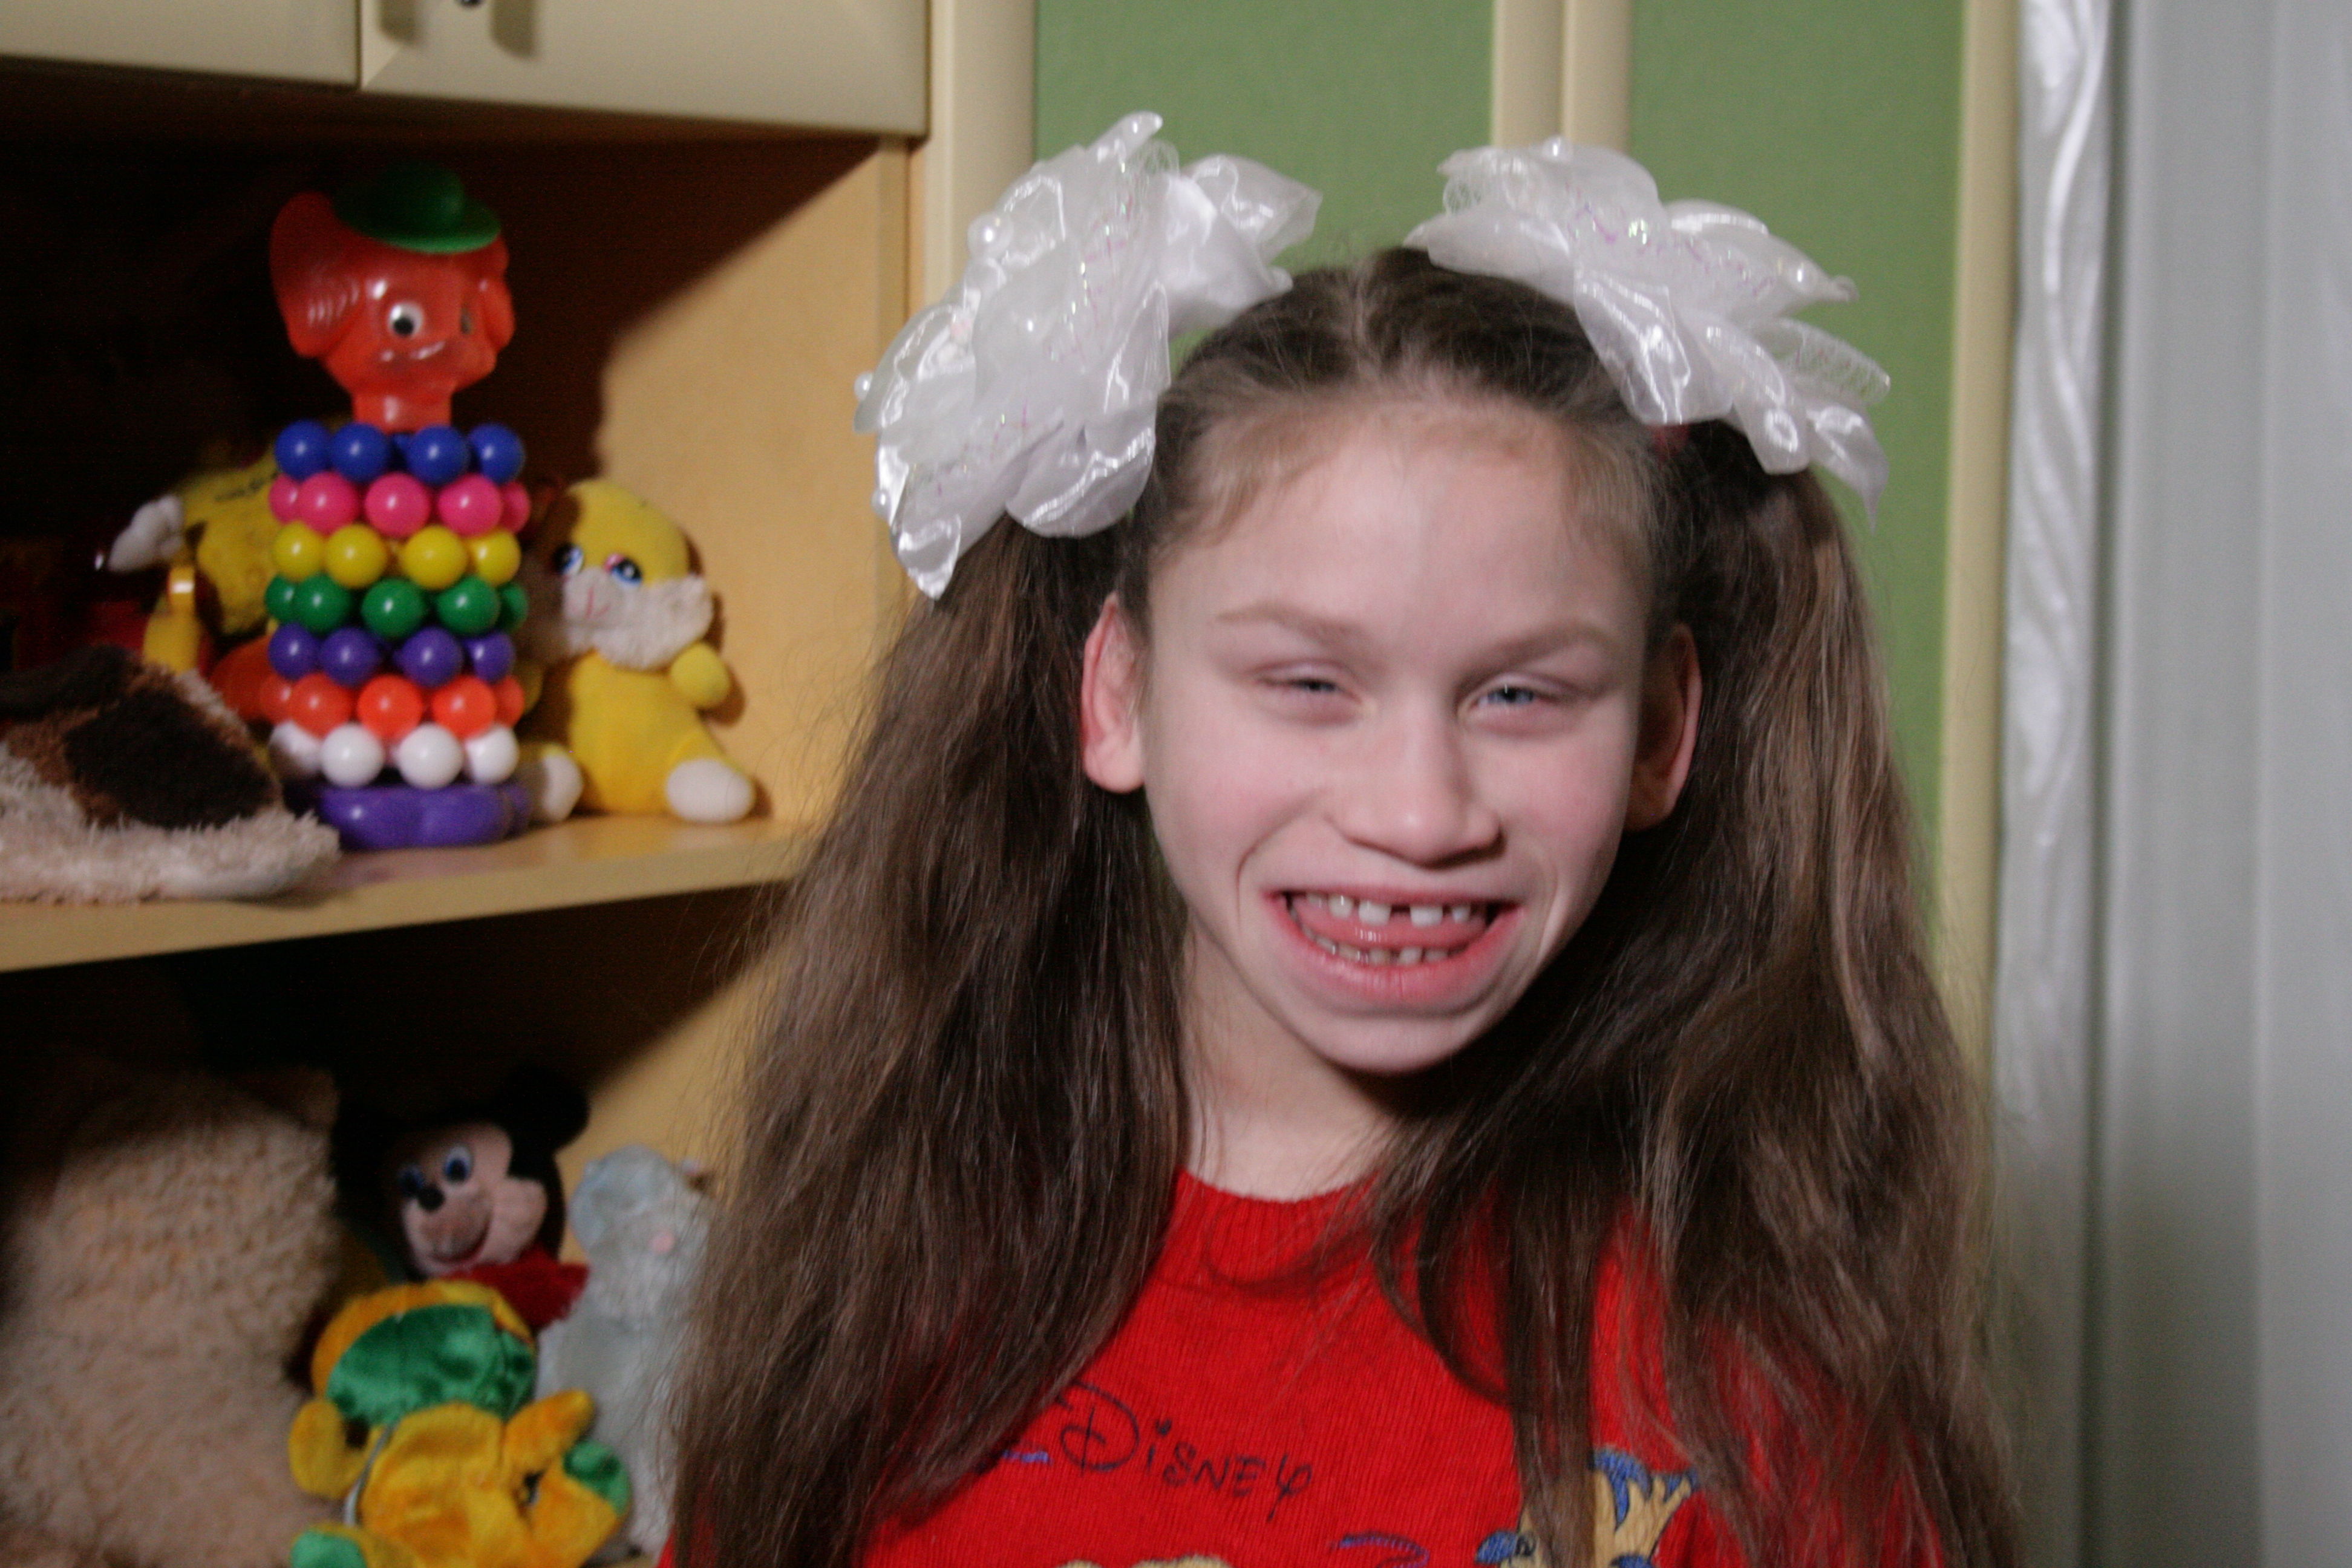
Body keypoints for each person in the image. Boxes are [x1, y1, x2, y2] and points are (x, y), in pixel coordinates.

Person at [670, 118, 2016, 1568]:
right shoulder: (891, 1260)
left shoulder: (1753, 1374)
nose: (1419, 815)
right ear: (1117, 693)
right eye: (1310, 684)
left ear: (1659, 731)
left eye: (1521, 695)